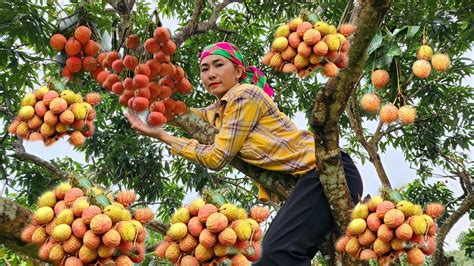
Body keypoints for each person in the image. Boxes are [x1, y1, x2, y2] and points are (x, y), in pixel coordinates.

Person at [126, 42, 363, 265]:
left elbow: (216, 158)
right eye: (204, 69)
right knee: (284, 254)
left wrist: (162, 136)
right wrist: (137, 92)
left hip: (326, 173)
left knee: (276, 253)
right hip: (310, 183)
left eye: (219, 65)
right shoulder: (220, 111)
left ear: (238, 71)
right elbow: (180, 113)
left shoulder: (245, 95)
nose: (211, 74)